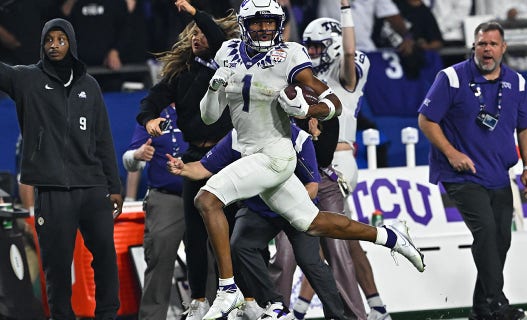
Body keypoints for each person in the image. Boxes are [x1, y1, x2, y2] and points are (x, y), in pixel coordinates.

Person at [189, 0, 425, 318]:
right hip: (251, 152)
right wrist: (213, 82)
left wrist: (308, 110)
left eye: (270, 22)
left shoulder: (290, 54)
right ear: (245, 24)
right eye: (257, 22)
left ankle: (229, 290)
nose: (264, 28)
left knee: (207, 199)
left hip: (274, 154)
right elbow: (209, 110)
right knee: (312, 223)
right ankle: (390, 235)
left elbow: (332, 102)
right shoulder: (228, 53)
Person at [0, 18, 123, 320]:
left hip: (93, 187)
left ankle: (108, 315)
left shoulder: (89, 85)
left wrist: (115, 187)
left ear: (71, 44)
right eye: (48, 40)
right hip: (52, 191)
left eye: (60, 39)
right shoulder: (26, 79)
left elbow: (103, 138)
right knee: (56, 266)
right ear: (42, 45)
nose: (54, 45)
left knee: (106, 258)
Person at [418, 21, 527, 320]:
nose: (487, 49)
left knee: (501, 240)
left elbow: (526, 127)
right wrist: (452, 152)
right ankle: (498, 303)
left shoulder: (517, 82)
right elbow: (426, 120)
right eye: (482, 44)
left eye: (493, 44)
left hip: (498, 174)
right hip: (461, 174)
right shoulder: (452, 77)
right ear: (474, 46)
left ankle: (481, 308)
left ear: (503, 48)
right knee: (485, 232)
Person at [279, 8, 392, 320]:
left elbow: (352, 51)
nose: (312, 53)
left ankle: (302, 308)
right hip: (310, 158)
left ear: (333, 45)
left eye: (318, 47)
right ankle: (376, 304)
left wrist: (345, 10)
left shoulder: (346, 72)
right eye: (310, 47)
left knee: (327, 234)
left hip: (338, 160)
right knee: (344, 238)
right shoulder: (309, 78)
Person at [169, 124, 349, 319]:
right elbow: (204, 168)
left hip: (296, 207)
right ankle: (274, 304)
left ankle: (337, 315)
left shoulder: (297, 138)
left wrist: (287, 206)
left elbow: (312, 187)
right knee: (240, 245)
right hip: (259, 209)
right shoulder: (238, 136)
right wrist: (184, 168)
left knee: (309, 260)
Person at [135, 1, 237, 319]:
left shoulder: (227, 64)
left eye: (201, 32)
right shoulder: (182, 72)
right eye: (192, 32)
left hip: (226, 157)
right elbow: (153, 98)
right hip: (195, 156)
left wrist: (196, 15)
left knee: (233, 235)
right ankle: (199, 300)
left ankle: (242, 299)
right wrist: (149, 118)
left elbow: (218, 38)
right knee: (194, 236)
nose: (196, 36)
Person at [123, 105, 189, 320]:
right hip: (166, 198)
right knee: (159, 261)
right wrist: (138, 154)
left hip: (205, 194)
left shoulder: (204, 105)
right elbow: (129, 160)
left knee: (210, 263)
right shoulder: (153, 114)